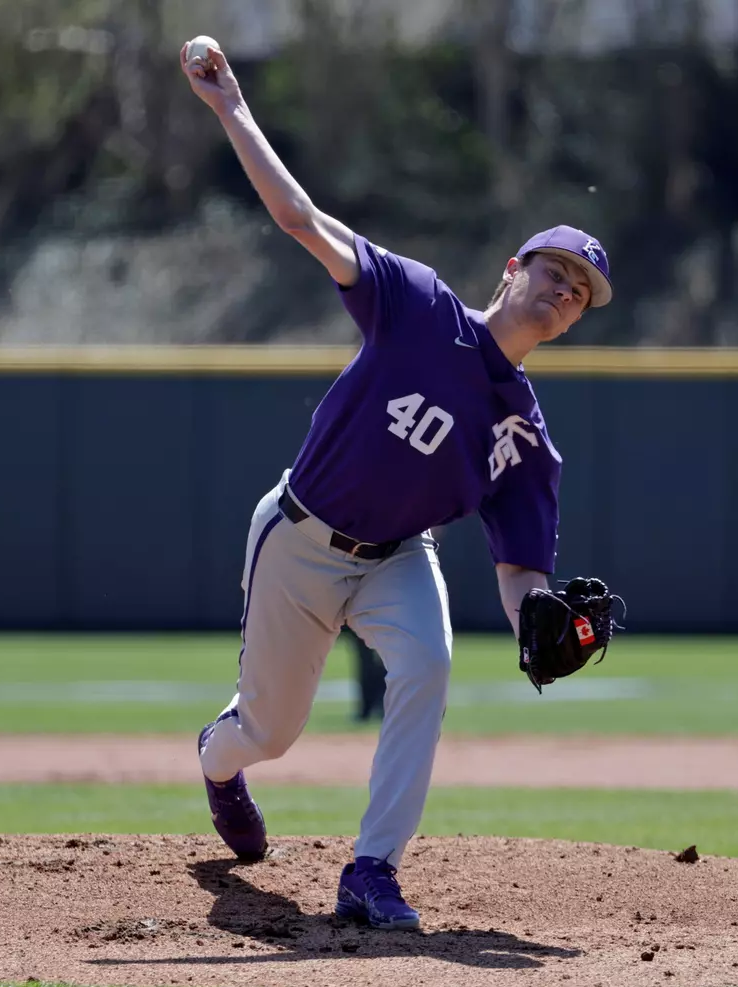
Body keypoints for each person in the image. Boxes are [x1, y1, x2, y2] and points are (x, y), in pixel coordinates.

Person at [182, 36, 613, 931]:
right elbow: (302, 219)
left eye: (580, 292)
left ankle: (372, 869)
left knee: (430, 663)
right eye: (555, 271)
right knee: (271, 733)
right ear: (513, 269)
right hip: (299, 536)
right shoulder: (417, 307)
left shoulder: (525, 440)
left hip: (396, 559)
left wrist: (540, 616)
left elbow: (520, 570)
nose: (564, 292)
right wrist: (231, 107)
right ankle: (218, 762)